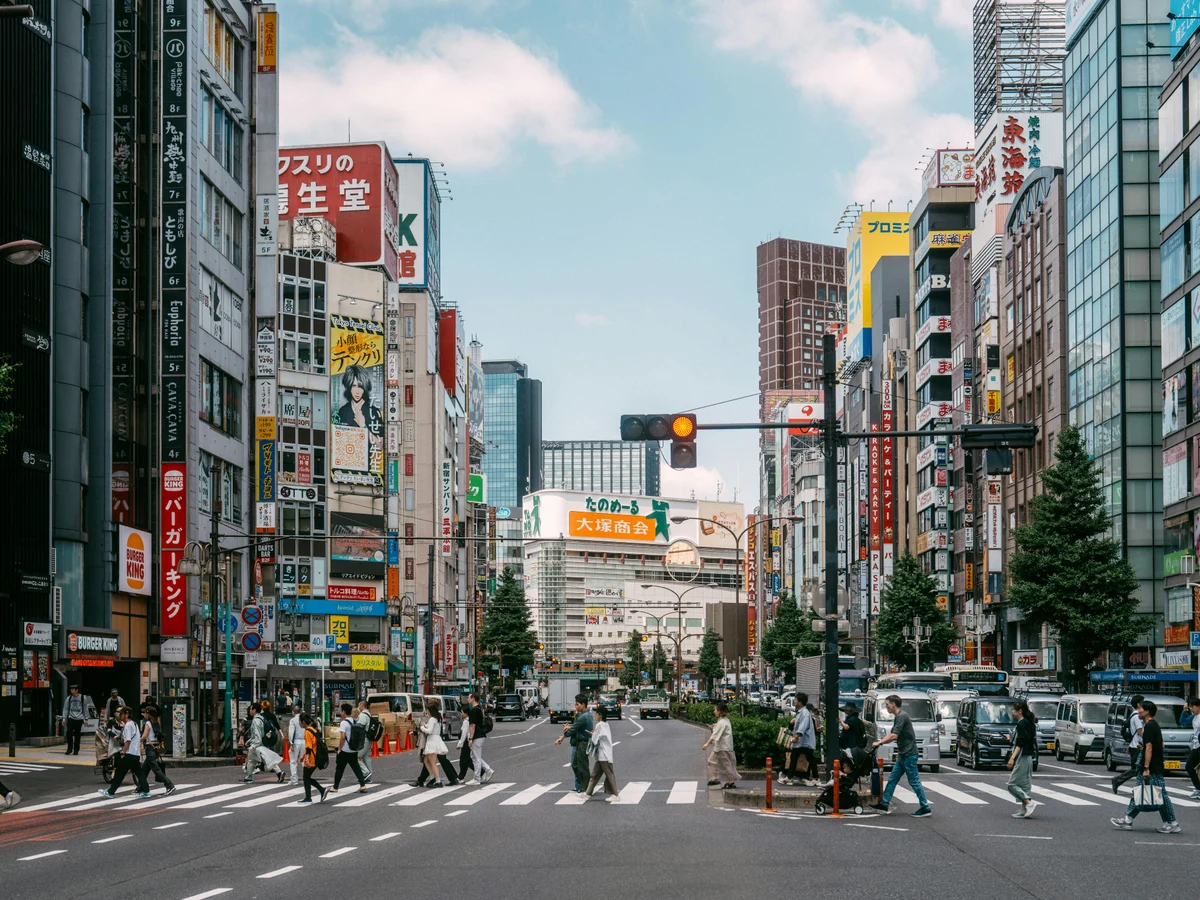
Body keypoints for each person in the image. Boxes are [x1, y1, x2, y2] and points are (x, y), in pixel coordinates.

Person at [1111, 700, 1180, 833]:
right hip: (1154, 766)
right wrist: (1143, 749)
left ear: (1147, 711)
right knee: (1143, 793)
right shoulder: (1154, 725)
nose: (1138, 711)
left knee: (1158, 795)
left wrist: (1146, 767)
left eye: (1140, 708)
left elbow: (1150, 748)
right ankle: (1129, 819)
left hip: (1151, 768)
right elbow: (1158, 745)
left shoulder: (1149, 726)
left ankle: (1172, 823)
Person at [869, 694, 932, 818]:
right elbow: (893, 734)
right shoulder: (899, 716)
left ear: (893, 704)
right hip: (904, 755)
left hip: (909, 754)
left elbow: (894, 735)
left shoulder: (902, 716)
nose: (886, 707)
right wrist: (880, 741)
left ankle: (925, 807)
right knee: (892, 779)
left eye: (887, 704)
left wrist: (880, 742)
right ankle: (884, 804)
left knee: (914, 781)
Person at [97, 707, 150, 799]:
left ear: (126, 714)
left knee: (119, 773)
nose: (119, 716)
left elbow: (128, 741)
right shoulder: (134, 724)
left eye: (121, 714)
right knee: (139, 773)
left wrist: (123, 752)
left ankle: (111, 792)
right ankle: (146, 792)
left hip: (129, 754)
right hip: (135, 754)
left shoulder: (128, 725)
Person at [335, 364, 384, 448]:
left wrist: (363, 426)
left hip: (366, 460)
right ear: (349, 387)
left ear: (364, 388)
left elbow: (380, 445)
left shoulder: (374, 412)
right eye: (354, 386)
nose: (357, 392)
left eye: (360, 387)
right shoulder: (342, 411)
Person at [556, 694, 594, 794]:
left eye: (577, 704)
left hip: (583, 743)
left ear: (583, 705)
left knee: (583, 766)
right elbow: (576, 727)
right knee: (575, 765)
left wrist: (563, 736)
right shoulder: (586, 714)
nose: (576, 706)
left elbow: (574, 729)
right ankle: (584, 785)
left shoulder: (584, 716)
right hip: (580, 742)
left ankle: (586, 788)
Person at [1006, 700, 1038, 819]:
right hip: (1028, 755)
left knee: (1012, 784)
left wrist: (1012, 758)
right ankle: (1024, 809)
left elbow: (1021, 742)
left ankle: (1029, 803)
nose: (1012, 712)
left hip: (1023, 755)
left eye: (1014, 710)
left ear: (1020, 711)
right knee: (1024, 784)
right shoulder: (1028, 722)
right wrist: (1011, 737)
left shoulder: (1022, 724)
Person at [330, 702, 369, 794]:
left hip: (345, 749)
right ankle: (362, 785)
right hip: (354, 749)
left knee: (339, 768)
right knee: (356, 768)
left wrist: (339, 748)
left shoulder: (344, 723)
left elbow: (343, 737)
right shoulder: (354, 721)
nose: (341, 712)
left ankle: (335, 787)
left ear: (343, 712)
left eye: (341, 711)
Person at [781, 693, 818, 786]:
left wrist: (796, 737)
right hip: (801, 742)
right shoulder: (801, 712)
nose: (795, 701)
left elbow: (803, 727)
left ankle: (816, 778)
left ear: (800, 702)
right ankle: (789, 777)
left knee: (810, 759)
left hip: (804, 741)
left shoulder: (804, 713)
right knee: (794, 758)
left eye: (796, 700)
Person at [585, 706, 620, 802]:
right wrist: (595, 734)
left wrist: (592, 734)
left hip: (604, 755)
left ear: (600, 715)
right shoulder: (605, 724)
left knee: (609, 774)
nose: (595, 715)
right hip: (603, 754)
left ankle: (616, 795)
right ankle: (587, 793)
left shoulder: (599, 725)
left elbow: (594, 740)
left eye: (596, 713)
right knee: (595, 774)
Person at [243, 704, 285, 784]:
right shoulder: (261, 718)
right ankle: (279, 773)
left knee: (252, 760)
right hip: (260, 742)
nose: (250, 711)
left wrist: (254, 745)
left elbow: (257, 734)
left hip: (257, 744)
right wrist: (249, 741)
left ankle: (249, 777)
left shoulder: (256, 720)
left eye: (251, 709)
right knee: (266, 759)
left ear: (254, 710)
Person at [140, 705, 177, 795]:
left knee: (156, 769)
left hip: (150, 747)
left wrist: (139, 740)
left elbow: (144, 736)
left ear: (149, 714)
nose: (143, 714)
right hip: (155, 746)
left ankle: (169, 785)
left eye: (145, 713)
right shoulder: (156, 723)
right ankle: (140, 787)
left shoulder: (148, 723)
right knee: (144, 769)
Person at [1112, 695, 1145, 794]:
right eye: (1143, 702)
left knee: (1138, 769)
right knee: (1137, 769)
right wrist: (1149, 740)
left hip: (1134, 745)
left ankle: (1142, 788)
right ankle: (1117, 780)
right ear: (1139, 704)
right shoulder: (1137, 717)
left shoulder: (1132, 715)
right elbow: (1140, 731)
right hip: (1137, 746)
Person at [702, 701, 739, 789]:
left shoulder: (722, 722)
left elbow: (715, 734)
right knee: (712, 761)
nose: (714, 711)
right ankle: (715, 778)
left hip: (723, 747)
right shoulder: (724, 720)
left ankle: (731, 782)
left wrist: (707, 744)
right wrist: (713, 726)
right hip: (720, 747)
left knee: (726, 764)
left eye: (715, 710)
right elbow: (718, 729)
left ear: (720, 711)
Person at [419, 698, 454, 788]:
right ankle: (432, 778)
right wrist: (424, 725)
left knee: (432, 762)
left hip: (432, 740)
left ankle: (437, 780)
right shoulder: (437, 718)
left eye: (427, 710)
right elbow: (432, 728)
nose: (426, 711)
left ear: (430, 710)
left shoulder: (432, 719)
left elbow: (430, 731)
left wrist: (422, 728)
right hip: (436, 739)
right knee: (426, 760)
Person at [464, 693, 495, 785]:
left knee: (476, 758)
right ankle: (487, 769)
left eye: (469, 698)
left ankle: (477, 778)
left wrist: (470, 738)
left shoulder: (474, 710)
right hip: (480, 735)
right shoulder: (479, 708)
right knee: (474, 756)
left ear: (473, 699)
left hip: (477, 736)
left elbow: (472, 725)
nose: (467, 700)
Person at [298, 712, 328, 804]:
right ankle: (321, 790)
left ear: (303, 722)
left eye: (299, 721)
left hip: (311, 758)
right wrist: (302, 757)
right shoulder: (313, 730)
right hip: (316, 757)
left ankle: (309, 798)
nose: (299, 723)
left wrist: (306, 759)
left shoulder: (307, 731)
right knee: (307, 777)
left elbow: (309, 747)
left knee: (306, 778)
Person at [61, 685, 88, 755]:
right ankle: (69, 749)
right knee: (69, 733)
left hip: (79, 719)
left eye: (72, 689)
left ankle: (76, 750)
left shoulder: (83, 698)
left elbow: (85, 709)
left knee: (77, 734)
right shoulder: (69, 698)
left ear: (76, 690)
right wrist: (64, 718)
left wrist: (86, 719)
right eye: (71, 689)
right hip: (71, 718)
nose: (71, 690)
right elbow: (65, 708)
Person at [1184, 696, 1200, 801]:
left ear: (1198, 706)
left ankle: (1198, 788)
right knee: (1189, 766)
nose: (1191, 709)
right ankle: (1198, 788)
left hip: (1199, 746)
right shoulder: (1194, 717)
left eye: (1192, 707)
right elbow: (1183, 721)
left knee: (1189, 766)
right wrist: (1184, 710)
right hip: (1196, 746)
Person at [355, 698, 374, 783]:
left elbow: (359, 727)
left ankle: (366, 773)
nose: (358, 707)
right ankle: (369, 776)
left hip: (364, 739)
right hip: (369, 738)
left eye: (359, 705)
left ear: (362, 706)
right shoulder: (369, 714)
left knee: (356, 757)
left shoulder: (363, 715)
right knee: (366, 757)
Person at [288, 703, 307, 786]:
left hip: (295, 741)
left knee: (293, 761)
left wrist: (291, 743)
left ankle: (294, 780)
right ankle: (306, 778)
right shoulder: (304, 719)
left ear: (293, 712)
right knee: (304, 761)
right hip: (304, 741)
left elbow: (291, 732)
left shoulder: (292, 720)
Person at [455, 707, 473, 782]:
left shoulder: (466, 721)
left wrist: (459, 744)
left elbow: (464, 734)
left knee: (464, 760)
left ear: (466, 713)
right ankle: (461, 777)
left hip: (466, 742)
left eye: (462, 712)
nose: (461, 714)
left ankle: (481, 772)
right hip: (467, 741)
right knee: (465, 760)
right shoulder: (467, 720)